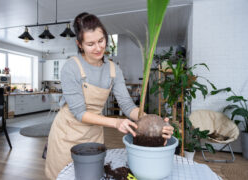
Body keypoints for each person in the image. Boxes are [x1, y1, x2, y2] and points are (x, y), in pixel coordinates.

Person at [45, 12, 174, 179]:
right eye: (90, 44)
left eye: (101, 41)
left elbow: (127, 106)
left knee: (91, 175)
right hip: (67, 133)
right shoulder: (71, 67)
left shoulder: (113, 70)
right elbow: (80, 113)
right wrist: (115, 122)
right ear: (79, 44)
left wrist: (153, 121)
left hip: (94, 133)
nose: (98, 48)